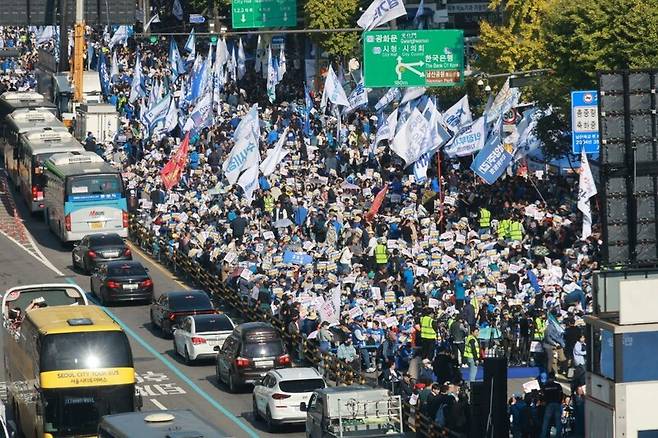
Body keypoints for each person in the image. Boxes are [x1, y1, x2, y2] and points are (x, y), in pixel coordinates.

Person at [539, 372, 564, 438]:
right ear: (554, 378)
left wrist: (544, 402)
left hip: (549, 405)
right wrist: (559, 402)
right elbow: (561, 395)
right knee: (558, 421)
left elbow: (541, 396)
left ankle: (543, 435)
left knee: (546, 421)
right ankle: (558, 435)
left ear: (548, 378)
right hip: (556, 404)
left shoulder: (545, 386)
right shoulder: (558, 386)